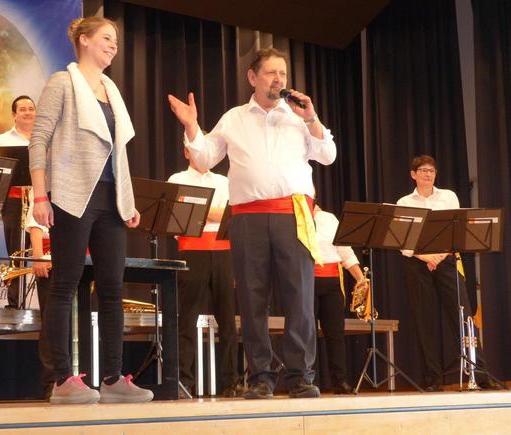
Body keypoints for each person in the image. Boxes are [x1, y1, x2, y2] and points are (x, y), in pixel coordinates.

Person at [168, 48, 337, 399]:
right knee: (252, 298)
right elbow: (205, 157)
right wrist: (191, 126)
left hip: (293, 212)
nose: (279, 79)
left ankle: (300, 376)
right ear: (252, 77)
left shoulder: (298, 118)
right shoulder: (234, 118)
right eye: (271, 73)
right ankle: (260, 376)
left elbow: (328, 155)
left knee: (299, 297)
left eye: (283, 74)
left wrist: (311, 118)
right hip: (247, 216)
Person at [28, 16, 153, 405]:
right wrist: (40, 196)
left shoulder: (111, 89)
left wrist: (128, 201)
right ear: (83, 40)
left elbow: (118, 152)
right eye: (107, 38)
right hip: (72, 194)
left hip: (111, 199)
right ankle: (63, 380)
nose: (114, 45)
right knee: (64, 284)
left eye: (116, 40)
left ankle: (113, 378)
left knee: (113, 287)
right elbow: (39, 139)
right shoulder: (62, 82)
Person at [397, 155, 501, 391]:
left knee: (463, 318)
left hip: (446, 261)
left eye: (432, 171)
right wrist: (425, 256)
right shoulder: (404, 201)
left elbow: (457, 231)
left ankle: (480, 374)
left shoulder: (448, 197)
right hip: (417, 263)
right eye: (423, 171)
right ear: (413, 175)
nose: (428, 174)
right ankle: (433, 379)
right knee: (425, 321)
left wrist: (440, 255)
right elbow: (402, 240)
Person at [167, 147, 240, 398]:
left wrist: (198, 209)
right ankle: (184, 380)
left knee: (227, 319)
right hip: (192, 250)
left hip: (223, 250)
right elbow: (178, 216)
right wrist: (213, 212)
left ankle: (231, 381)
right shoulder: (177, 179)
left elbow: (231, 215)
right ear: (186, 153)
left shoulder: (223, 181)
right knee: (187, 317)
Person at [0, 95, 36, 309]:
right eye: (23, 109)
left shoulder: (46, 139)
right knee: (16, 252)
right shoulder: (1, 140)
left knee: (43, 251)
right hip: (15, 201)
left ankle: (48, 301)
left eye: (31, 108)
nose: (28, 112)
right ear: (14, 115)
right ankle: (15, 303)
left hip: (41, 202)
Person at [313, 204, 366, 395]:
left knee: (335, 334)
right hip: (307, 279)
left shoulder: (328, 218)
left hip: (333, 280)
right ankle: (305, 380)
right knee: (307, 333)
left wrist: (360, 278)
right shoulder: (294, 218)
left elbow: (345, 251)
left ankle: (340, 381)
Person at [24, 190, 54, 399]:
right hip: (49, 258)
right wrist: (38, 257)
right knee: (51, 323)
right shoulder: (43, 182)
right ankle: (52, 382)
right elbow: (35, 224)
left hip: (80, 258)